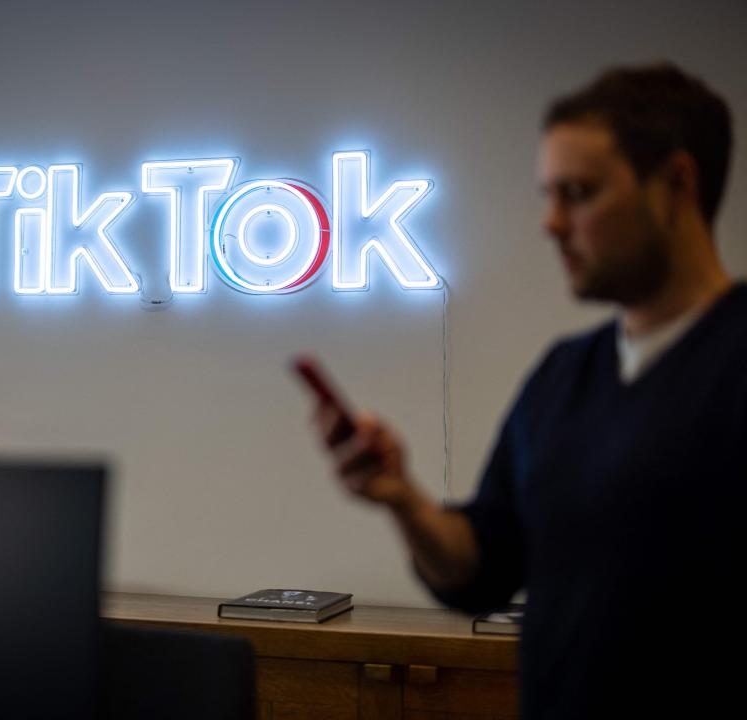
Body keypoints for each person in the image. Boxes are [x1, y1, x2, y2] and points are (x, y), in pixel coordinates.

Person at [312, 63, 743, 719]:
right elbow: (481, 566)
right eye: (548, 195)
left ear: (675, 186)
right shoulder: (564, 375)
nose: (551, 222)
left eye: (578, 193)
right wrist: (402, 498)